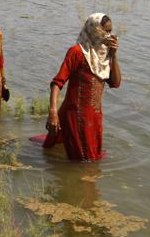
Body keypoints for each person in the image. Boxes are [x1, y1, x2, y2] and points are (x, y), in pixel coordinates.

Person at [43, 13, 122, 161]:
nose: (110, 35)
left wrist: (114, 55)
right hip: (76, 116)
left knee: (91, 160)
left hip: (95, 117)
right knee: (83, 164)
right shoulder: (77, 52)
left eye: (111, 31)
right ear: (94, 30)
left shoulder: (104, 55)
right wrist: (53, 112)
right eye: (106, 31)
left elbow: (115, 83)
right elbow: (57, 83)